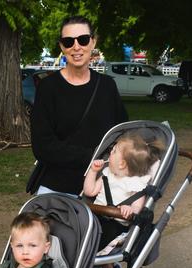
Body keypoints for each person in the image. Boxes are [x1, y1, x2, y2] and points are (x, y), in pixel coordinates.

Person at [30, 15, 128, 196]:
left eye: (83, 40)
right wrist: (92, 156)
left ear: (93, 42)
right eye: (68, 42)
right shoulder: (48, 88)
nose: (76, 47)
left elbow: (122, 132)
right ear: (61, 46)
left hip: (102, 186)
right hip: (58, 186)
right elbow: (42, 146)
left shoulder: (107, 86)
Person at [83, 130, 165, 268]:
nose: (110, 153)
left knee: (98, 240)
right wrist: (93, 171)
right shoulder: (106, 175)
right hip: (94, 217)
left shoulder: (137, 185)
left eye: (113, 151)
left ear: (121, 164)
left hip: (116, 225)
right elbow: (89, 191)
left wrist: (130, 209)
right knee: (82, 230)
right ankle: (95, 267)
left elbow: (138, 208)